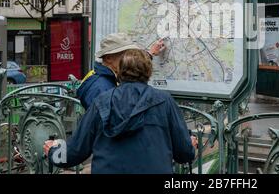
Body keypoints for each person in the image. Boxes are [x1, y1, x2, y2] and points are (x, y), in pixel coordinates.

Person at [44, 49, 197, 174]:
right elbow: (184, 153)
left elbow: (75, 152)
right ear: (149, 72)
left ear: (119, 71)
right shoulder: (164, 101)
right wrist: (191, 146)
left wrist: (53, 151)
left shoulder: (102, 102)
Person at [77, 33, 166, 109]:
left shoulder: (108, 79)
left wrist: (150, 54)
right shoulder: (100, 88)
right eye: (125, 56)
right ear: (108, 58)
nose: (129, 59)